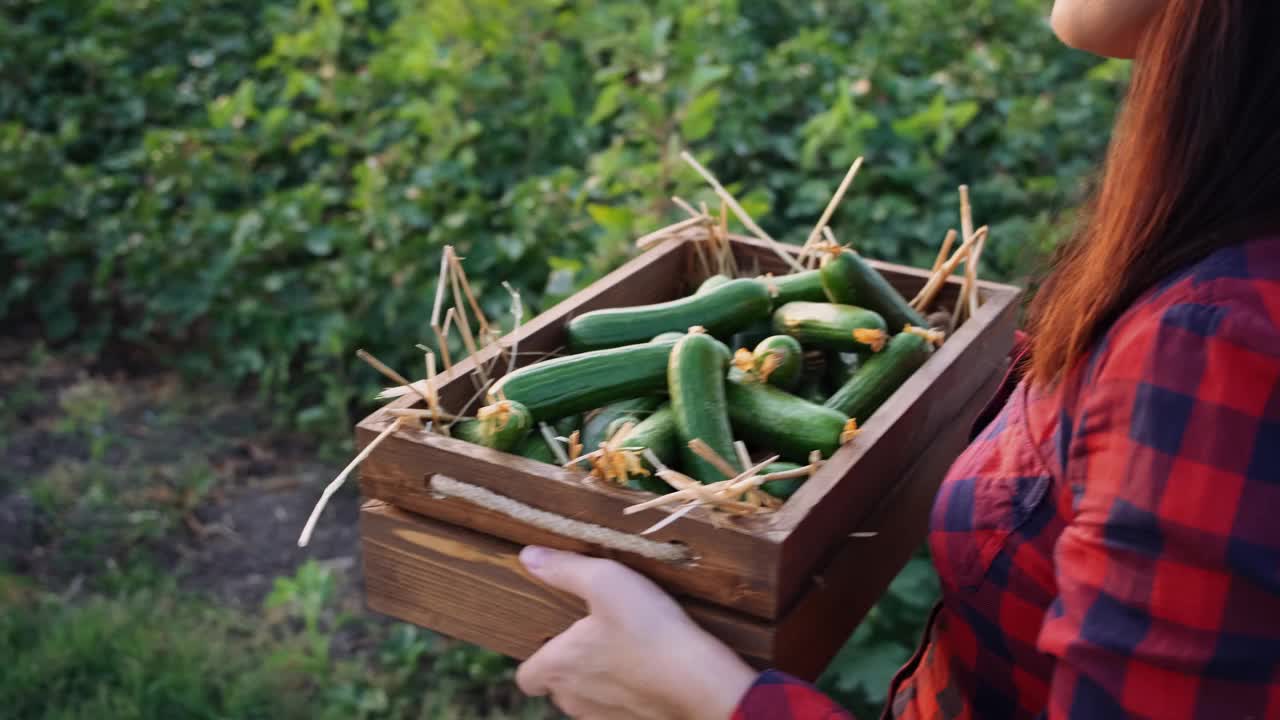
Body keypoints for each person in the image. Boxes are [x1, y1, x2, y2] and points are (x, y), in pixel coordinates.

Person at [514, 1, 1280, 717]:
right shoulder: (1218, 278)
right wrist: (911, 361)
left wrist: (707, 695)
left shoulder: (1211, 345)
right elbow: (1093, 459)